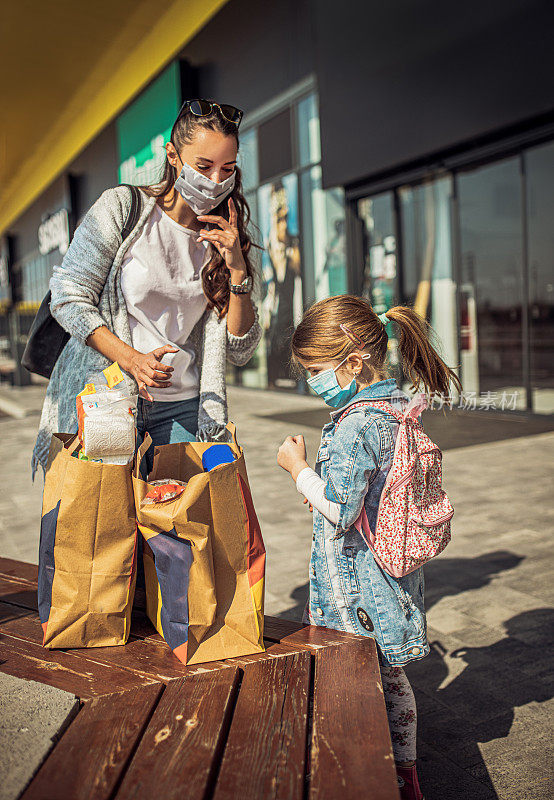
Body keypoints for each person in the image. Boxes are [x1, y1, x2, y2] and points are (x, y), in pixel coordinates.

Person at [277, 294, 462, 800]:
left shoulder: (357, 423)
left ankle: (364, 774)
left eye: (316, 369)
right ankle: (405, 775)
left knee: (356, 682)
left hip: (358, 585)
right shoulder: (395, 405)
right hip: (391, 572)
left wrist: (298, 469)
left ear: (353, 362)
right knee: (391, 677)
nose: (310, 381)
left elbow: (338, 506)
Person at [32, 98, 261, 477]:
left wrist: (237, 269)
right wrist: (131, 358)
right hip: (107, 401)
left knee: (179, 532)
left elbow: (241, 350)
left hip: (185, 409)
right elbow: (68, 295)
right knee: (101, 528)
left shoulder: (225, 238)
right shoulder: (124, 208)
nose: (215, 180)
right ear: (173, 155)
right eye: (203, 166)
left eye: (228, 168)